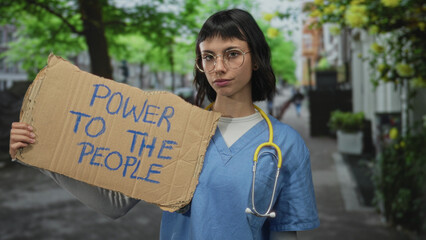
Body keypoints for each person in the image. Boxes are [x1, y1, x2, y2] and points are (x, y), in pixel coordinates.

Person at [9, 9, 319, 240]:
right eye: (208, 57)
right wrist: (43, 155)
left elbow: (283, 233)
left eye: (232, 54)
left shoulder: (286, 144)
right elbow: (114, 204)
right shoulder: (175, 128)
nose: (218, 67)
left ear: (257, 58)